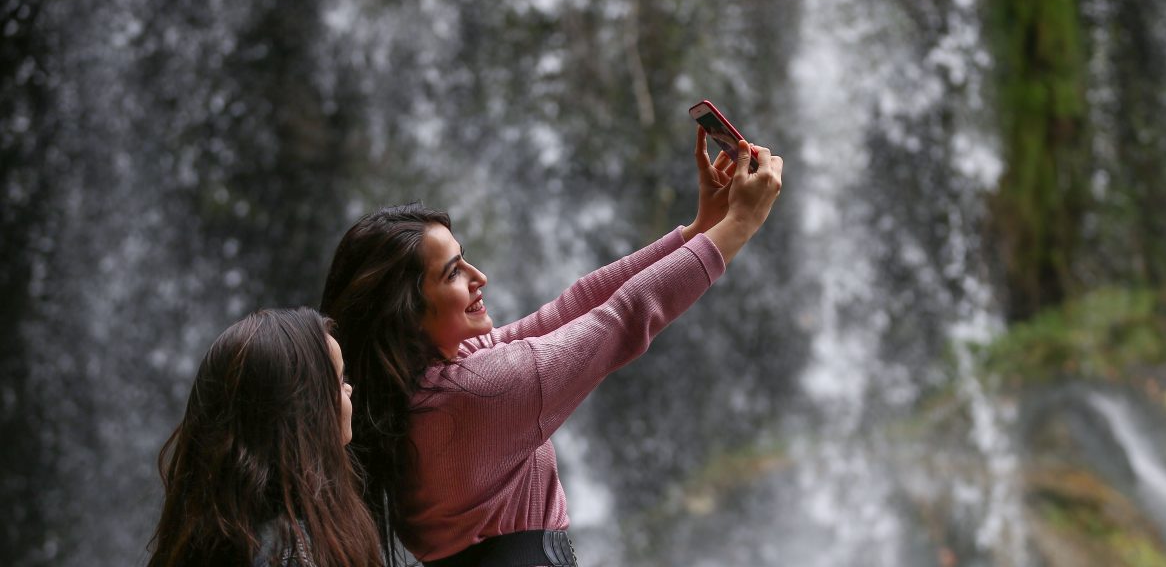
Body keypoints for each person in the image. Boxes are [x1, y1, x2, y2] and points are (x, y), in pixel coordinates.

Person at [320, 131, 782, 566]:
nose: (479, 277)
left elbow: (575, 305)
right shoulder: (479, 393)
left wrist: (702, 228)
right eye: (453, 273)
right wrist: (738, 225)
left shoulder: (411, 385)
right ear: (406, 311)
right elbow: (622, 317)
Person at [146, 307, 383, 567]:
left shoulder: (224, 532)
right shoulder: (289, 554)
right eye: (338, 381)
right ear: (303, 414)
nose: (349, 389)